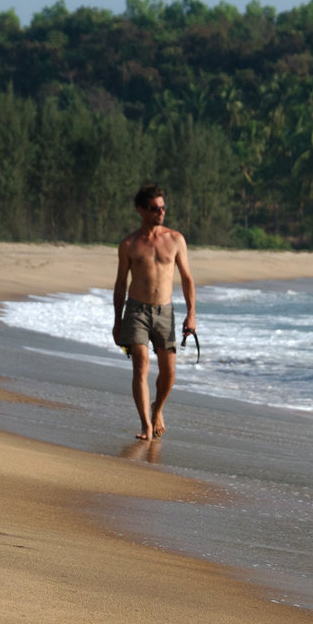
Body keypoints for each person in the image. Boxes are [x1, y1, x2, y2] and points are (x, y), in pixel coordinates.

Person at [112, 184, 196, 441]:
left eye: (163, 207)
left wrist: (191, 313)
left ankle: (157, 409)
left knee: (169, 373)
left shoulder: (175, 240)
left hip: (165, 312)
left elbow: (187, 278)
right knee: (141, 364)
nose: (160, 212)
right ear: (141, 210)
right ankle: (146, 425)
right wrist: (117, 321)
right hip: (136, 310)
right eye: (154, 208)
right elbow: (120, 284)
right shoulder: (129, 244)